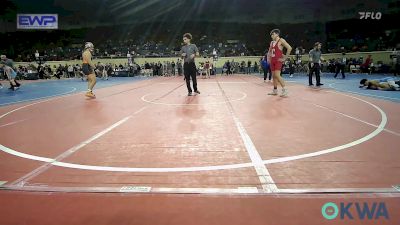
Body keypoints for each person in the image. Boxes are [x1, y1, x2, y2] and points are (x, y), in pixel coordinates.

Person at [267, 29, 292, 97]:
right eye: (271, 35)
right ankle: (275, 90)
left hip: (278, 60)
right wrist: (268, 58)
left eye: (273, 34)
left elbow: (289, 48)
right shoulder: (272, 42)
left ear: (277, 34)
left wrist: (284, 58)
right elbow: (269, 51)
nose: (272, 36)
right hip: (272, 61)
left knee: (277, 75)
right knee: (274, 76)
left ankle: (285, 90)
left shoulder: (281, 40)